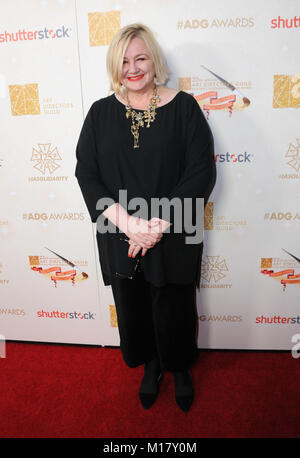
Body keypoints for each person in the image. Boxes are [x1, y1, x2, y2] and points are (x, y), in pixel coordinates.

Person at [75, 23, 216, 412]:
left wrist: (156, 226)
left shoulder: (184, 107)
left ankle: (180, 367)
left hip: (173, 229)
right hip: (120, 230)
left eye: (141, 58)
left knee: (175, 304)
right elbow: (86, 172)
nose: (133, 68)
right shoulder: (100, 113)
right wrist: (129, 224)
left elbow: (201, 171)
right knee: (133, 305)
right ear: (114, 67)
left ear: (154, 60)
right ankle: (151, 365)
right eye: (124, 61)